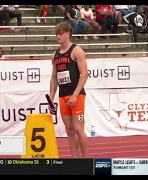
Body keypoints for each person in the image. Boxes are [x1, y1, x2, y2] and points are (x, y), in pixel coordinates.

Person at [49, 22, 89, 158]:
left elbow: (84, 75)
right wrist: (51, 99)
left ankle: (86, 159)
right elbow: (54, 78)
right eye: (56, 34)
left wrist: (75, 95)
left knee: (78, 128)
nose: (58, 36)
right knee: (69, 129)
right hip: (63, 96)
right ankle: (75, 159)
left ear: (68, 34)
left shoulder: (76, 51)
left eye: (60, 33)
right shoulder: (55, 55)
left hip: (76, 95)